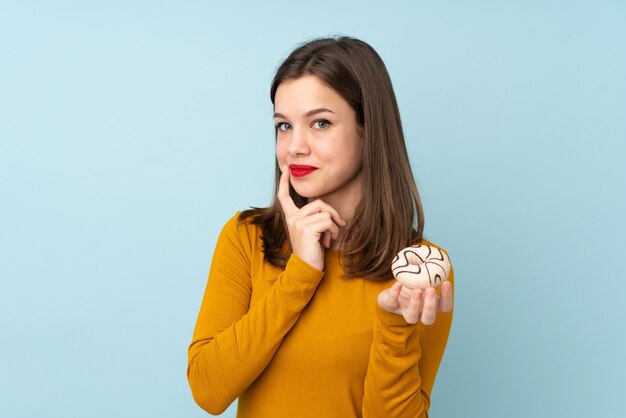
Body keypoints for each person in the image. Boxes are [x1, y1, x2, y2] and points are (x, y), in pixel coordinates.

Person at [187, 36, 454, 418]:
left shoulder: (417, 271)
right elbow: (208, 390)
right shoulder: (246, 237)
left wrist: (396, 328)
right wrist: (301, 274)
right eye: (283, 126)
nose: (295, 146)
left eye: (320, 123)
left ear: (368, 130)